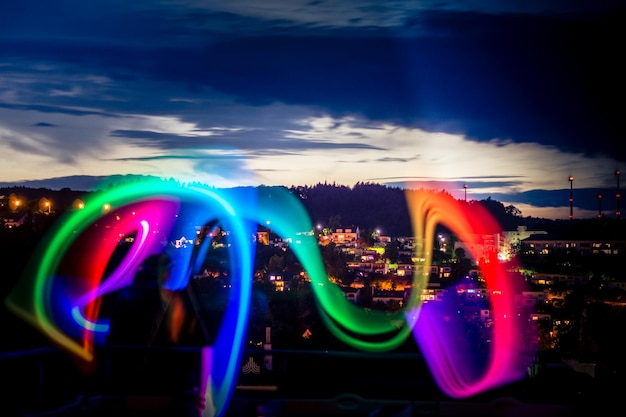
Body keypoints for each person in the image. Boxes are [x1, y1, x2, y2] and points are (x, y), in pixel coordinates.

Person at [105, 252, 208, 416]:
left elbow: (113, 337)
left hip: (129, 377)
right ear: (165, 273)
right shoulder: (173, 300)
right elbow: (181, 342)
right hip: (165, 378)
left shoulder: (125, 296)